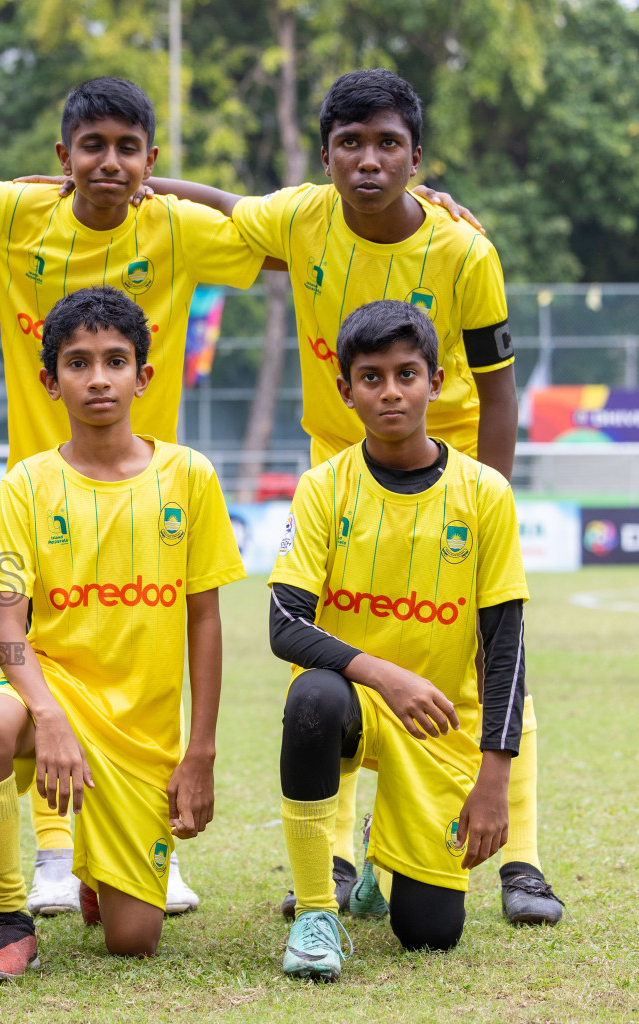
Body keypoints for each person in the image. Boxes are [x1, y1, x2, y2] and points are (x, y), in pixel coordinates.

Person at [142, 68, 560, 926]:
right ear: (328, 155)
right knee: (327, 657)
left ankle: (520, 860)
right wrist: (126, 180)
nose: (368, 162)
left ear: (416, 157)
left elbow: (500, 385)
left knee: (493, 662)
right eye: (351, 144)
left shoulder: (463, 249)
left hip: (454, 475)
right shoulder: (301, 215)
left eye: (387, 145)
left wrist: (495, 502)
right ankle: (330, 858)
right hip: (342, 470)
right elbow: (222, 205)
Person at [0, 76, 263, 919]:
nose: (109, 163)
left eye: (128, 151)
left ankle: (139, 841)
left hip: (146, 486)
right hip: (48, 488)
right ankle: (49, 860)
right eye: (91, 148)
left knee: (140, 652)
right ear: (61, 159)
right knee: (37, 667)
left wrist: (155, 189)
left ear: (152, 161)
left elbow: (267, 230)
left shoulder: (171, 225)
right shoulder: (15, 212)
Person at [0, 286, 243, 980]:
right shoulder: (27, 483)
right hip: (52, 687)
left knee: (132, 942)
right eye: (78, 362)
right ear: (49, 381)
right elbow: (6, 626)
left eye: (115, 361)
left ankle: (99, 871)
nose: (97, 378)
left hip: (142, 734)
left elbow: (204, 621)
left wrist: (199, 752)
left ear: (142, 377)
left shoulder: (190, 476)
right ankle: (8, 920)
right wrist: (49, 714)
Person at [269, 299, 528, 981]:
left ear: (436, 381)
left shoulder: (486, 495)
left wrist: (494, 778)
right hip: (354, 700)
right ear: (345, 389)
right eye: (372, 376)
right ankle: (316, 911)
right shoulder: (323, 489)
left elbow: (506, 646)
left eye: (407, 374)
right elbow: (284, 623)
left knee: (431, 934)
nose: (391, 391)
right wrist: (383, 674)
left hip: (438, 728)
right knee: (313, 700)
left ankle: (384, 853)